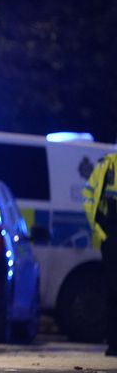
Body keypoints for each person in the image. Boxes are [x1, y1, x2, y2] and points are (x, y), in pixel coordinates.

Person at [83, 153, 117, 357]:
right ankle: (113, 342)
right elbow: (89, 198)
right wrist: (99, 231)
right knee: (113, 289)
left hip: (109, 234)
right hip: (111, 234)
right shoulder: (108, 165)